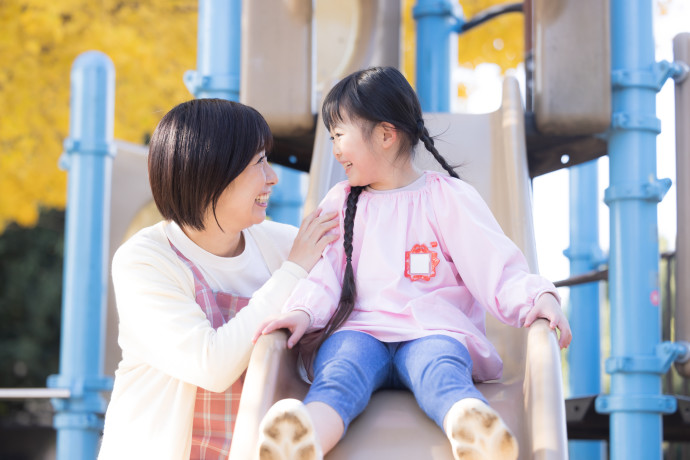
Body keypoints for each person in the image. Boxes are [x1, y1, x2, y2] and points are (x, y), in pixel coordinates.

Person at [253, 67, 572, 460]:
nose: (335, 149)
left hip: (432, 330)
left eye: (340, 135)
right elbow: (325, 274)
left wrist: (536, 296)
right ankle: (304, 436)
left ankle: (471, 426)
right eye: (331, 138)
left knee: (440, 370)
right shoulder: (341, 201)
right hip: (360, 331)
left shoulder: (448, 198)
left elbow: (493, 263)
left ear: (386, 135)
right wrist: (303, 311)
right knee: (339, 374)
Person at [98, 98, 338, 460]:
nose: (273, 177)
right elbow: (210, 366)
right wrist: (293, 272)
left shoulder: (283, 245)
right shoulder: (145, 260)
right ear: (211, 172)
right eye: (259, 162)